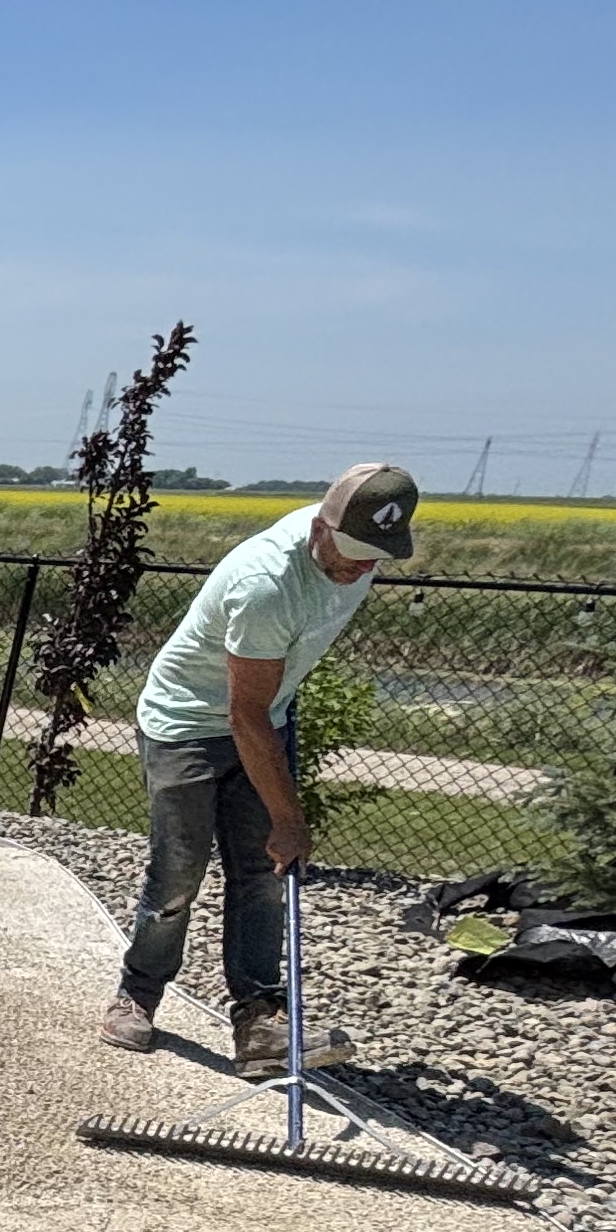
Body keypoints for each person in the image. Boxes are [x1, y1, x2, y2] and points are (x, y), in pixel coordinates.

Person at [96, 461, 419, 1076]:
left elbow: (260, 710)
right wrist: (290, 817)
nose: (359, 569)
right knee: (178, 873)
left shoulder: (357, 554)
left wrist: (282, 824)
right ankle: (137, 994)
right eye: (351, 554)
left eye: (374, 558)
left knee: (265, 873)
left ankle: (260, 1025)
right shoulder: (268, 581)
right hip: (188, 724)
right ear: (321, 528)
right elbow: (242, 715)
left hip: (267, 718)